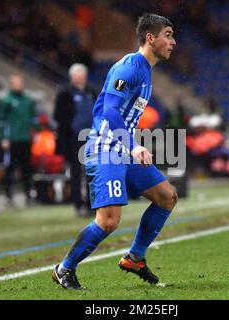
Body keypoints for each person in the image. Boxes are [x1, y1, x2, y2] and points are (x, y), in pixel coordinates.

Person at [51, 13, 178, 290]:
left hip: (121, 148)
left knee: (166, 196)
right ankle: (64, 269)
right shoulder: (129, 67)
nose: (173, 41)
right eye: (168, 35)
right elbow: (109, 111)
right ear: (150, 38)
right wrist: (133, 147)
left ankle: (135, 258)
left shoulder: (146, 70)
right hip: (105, 148)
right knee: (108, 221)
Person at [53, 63, 97, 217]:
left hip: (92, 138)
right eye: (76, 75)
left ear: (85, 76)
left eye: (81, 74)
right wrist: (70, 127)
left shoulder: (92, 91)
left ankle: (93, 204)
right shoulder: (65, 93)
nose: (78, 77)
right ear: (71, 77)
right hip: (74, 139)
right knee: (76, 172)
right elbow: (58, 115)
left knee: (93, 171)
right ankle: (78, 203)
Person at [0, 74, 37, 206]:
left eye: (20, 82)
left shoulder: (27, 100)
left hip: (25, 139)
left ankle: (28, 195)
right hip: (12, 139)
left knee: (27, 168)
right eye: (16, 83)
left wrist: (36, 132)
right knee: (9, 168)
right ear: (11, 84)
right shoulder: (7, 101)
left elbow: (33, 119)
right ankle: (8, 196)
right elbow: (1, 121)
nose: (19, 85)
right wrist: (3, 138)